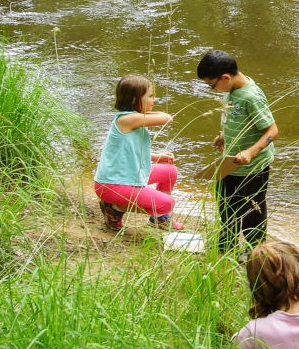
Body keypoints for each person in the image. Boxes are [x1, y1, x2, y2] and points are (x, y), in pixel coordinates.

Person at [197, 50, 278, 253]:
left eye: (212, 85)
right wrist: (223, 136)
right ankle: (228, 244)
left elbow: (272, 130)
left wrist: (251, 152)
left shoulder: (251, 97)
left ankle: (255, 251)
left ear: (225, 77)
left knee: (253, 209)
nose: (213, 89)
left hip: (252, 166)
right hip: (230, 162)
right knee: (225, 204)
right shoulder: (229, 89)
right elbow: (235, 119)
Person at [94, 74, 183, 231]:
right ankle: (115, 209)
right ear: (135, 100)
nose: (154, 100)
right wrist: (145, 113)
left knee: (170, 171)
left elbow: (129, 152)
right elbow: (167, 118)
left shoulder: (135, 119)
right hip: (112, 185)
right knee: (167, 203)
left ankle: (159, 217)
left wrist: (155, 157)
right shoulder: (126, 120)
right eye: (150, 96)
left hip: (126, 177)